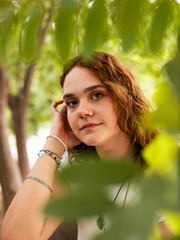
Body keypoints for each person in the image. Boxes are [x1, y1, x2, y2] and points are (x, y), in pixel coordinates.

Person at [2, 52, 172, 240]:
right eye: (72, 103)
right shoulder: (75, 164)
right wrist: (54, 143)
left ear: (124, 97)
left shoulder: (167, 168)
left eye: (96, 95)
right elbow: (17, 236)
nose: (82, 111)